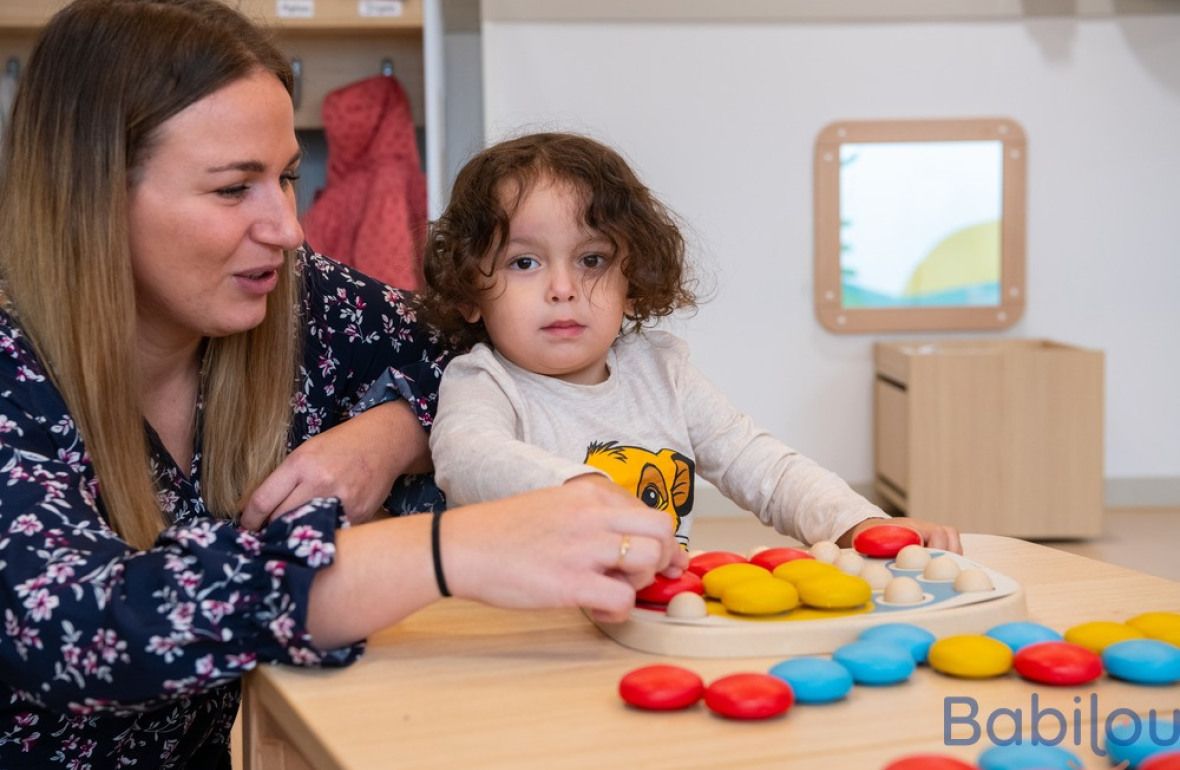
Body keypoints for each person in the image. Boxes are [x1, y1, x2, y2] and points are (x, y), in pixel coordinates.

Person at [0, 2, 683, 767]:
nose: (287, 228)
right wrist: (444, 550)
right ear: (89, 198)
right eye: (233, 189)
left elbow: (484, 343)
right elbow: (76, 627)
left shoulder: (298, 300)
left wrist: (390, 435)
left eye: (286, 177)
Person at [419, 132, 962, 553]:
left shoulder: (662, 372)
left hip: (649, 627)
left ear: (632, 282)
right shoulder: (484, 381)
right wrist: (580, 488)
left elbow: (764, 468)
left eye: (592, 260)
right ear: (471, 290)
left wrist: (859, 524)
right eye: (525, 262)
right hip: (527, 636)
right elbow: (468, 459)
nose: (563, 290)